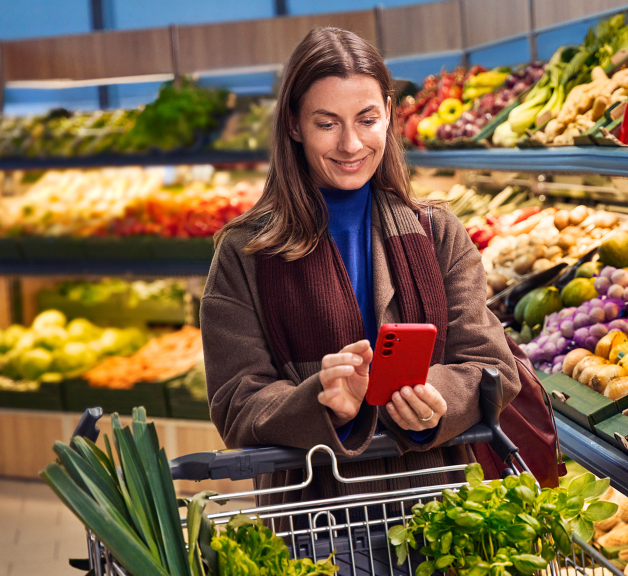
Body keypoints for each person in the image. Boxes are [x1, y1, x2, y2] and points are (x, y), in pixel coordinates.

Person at [201, 27, 521, 508]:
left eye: (367, 119)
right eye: (327, 124)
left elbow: (494, 366)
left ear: (389, 113)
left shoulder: (437, 232)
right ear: (293, 125)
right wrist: (320, 400)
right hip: (316, 519)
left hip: (442, 508)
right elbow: (235, 402)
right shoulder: (245, 252)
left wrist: (434, 399)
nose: (351, 144)